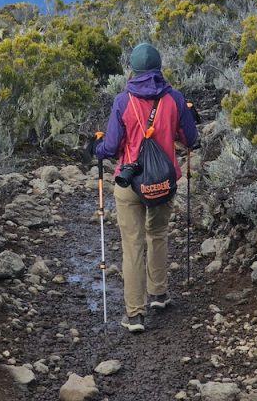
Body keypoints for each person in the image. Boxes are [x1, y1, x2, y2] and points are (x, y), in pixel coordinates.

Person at [93, 42, 198, 333]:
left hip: (130, 184)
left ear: (133, 70)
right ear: (159, 67)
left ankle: (135, 314)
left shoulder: (123, 101)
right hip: (164, 182)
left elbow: (111, 147)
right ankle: (159, 294)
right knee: (159, 234)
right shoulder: (175, 99)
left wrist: (96, 147)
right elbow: (191, 139)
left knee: (132, 246)